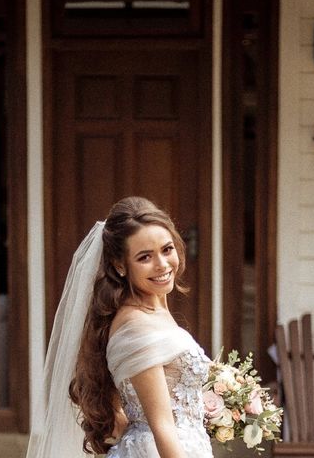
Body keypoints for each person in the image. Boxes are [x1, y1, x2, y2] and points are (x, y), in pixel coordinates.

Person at [26, 196, 213, 458]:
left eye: (167, 249)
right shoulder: (136, 327)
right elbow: (162, 427)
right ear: (120, 265)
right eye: (145, 257)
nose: (162, 264)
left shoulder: (153, 309)